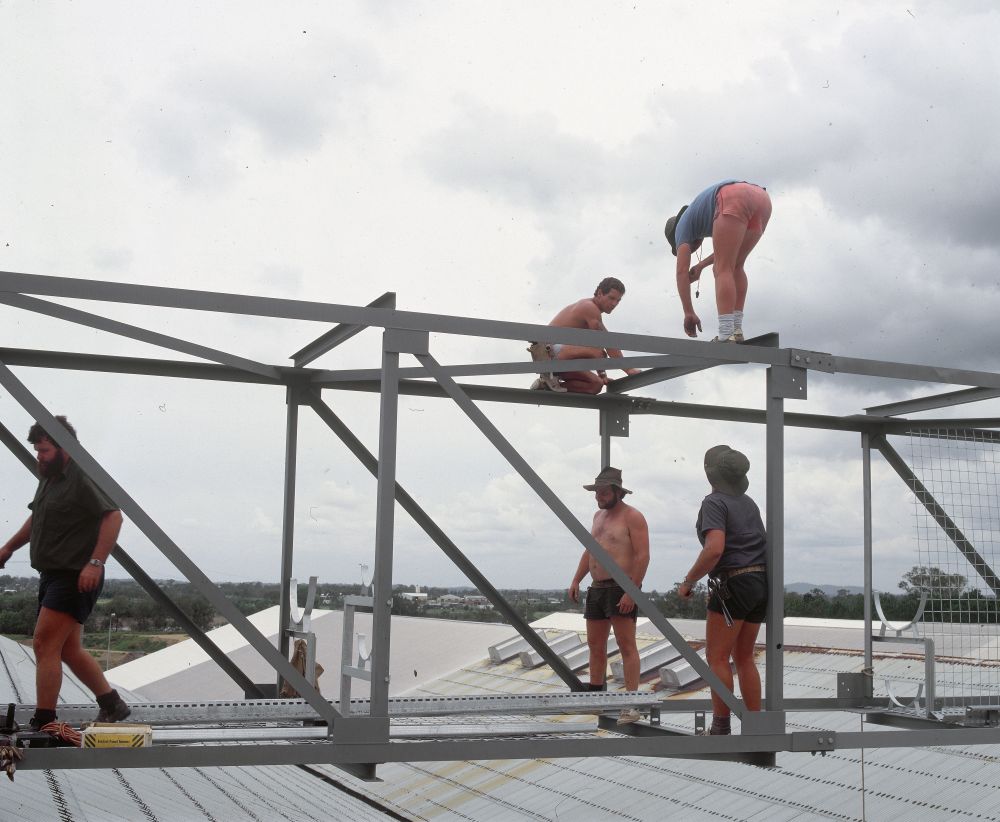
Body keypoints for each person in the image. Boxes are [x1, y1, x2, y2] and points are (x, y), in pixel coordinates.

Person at [0, 416, 131, 729]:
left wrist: (95, 563)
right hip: (53, 574)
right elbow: (37, 519)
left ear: (65, 447)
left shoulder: (82, 475)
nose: (39, 456)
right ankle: (112, 704)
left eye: (44, 450)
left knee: (44, 644)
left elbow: (114, 517)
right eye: (37, 450)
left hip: (75, 574)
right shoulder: (50, 476)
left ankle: (45, 720)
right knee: (69, 649)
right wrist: (7, 549)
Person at [678, 445, 767, 736]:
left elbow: (714, 549)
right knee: (744, 657)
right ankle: (755, 726)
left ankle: (720, 725)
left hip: (733, 583)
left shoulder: (714, 503)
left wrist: (689, 580)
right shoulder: (749, 503)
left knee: (716, 657)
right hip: (758, 582)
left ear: (710, 473)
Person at [569, 467, 650, 724]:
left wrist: (631, 590)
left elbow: (642, 556)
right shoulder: (597, 516)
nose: (599, 496)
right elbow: (589, 550)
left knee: (627, 645)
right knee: (595, 645)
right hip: (597, 587)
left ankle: (631, 704)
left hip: (620, 586)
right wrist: (576, 578)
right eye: (596, 492)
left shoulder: (633, 516)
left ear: (617, 491)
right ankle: (596, 698)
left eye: (603, 492)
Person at [664, 180, 772, 342]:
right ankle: (736, 330)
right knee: (736, 265)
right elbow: (730, 250)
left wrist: (688, 312)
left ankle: (727, 333)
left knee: (722, 269)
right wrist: (701, 265)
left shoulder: (680, 229)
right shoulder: (702, 216)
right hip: (762, 200)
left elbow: (681, 272)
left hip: (733, 197)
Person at [528, 276, 641, 394]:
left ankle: (546, 385)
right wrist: (629, 370)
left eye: (618, 301)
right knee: (598, 352)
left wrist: (602, 377)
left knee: (595, 386)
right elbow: (603, 344)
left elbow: (606, 342)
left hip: (559, 357)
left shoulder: (593, 312)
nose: (614, 304)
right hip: (548, 352)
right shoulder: (589, 307)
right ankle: (549, 380)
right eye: (611, 298)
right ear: (600, 293)